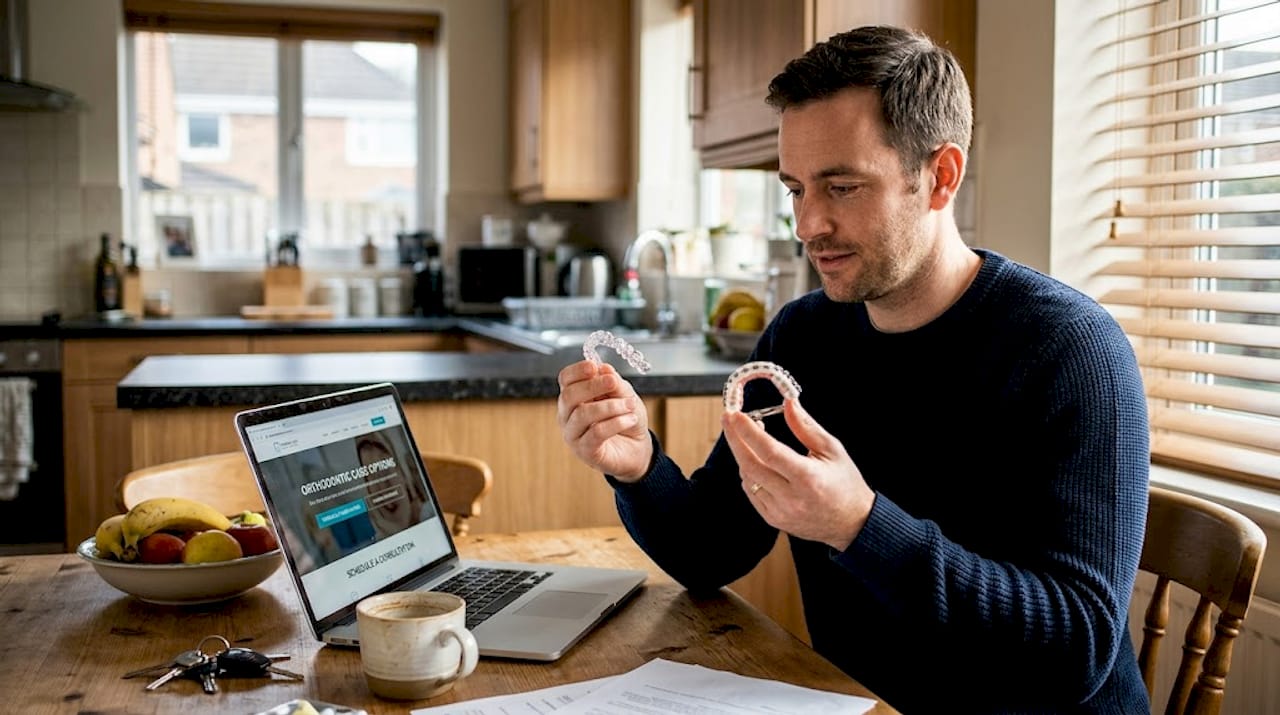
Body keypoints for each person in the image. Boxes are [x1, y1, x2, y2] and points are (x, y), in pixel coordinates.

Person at [556, 25, 1150, 714]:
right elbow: (711, 547)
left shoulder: (1071, 352)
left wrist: (858, 524)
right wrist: (636, 465)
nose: (808, 223)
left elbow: (1073, 652)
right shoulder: (803, 336)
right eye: (796, 189)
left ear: (940, 176)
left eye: (841, 187)